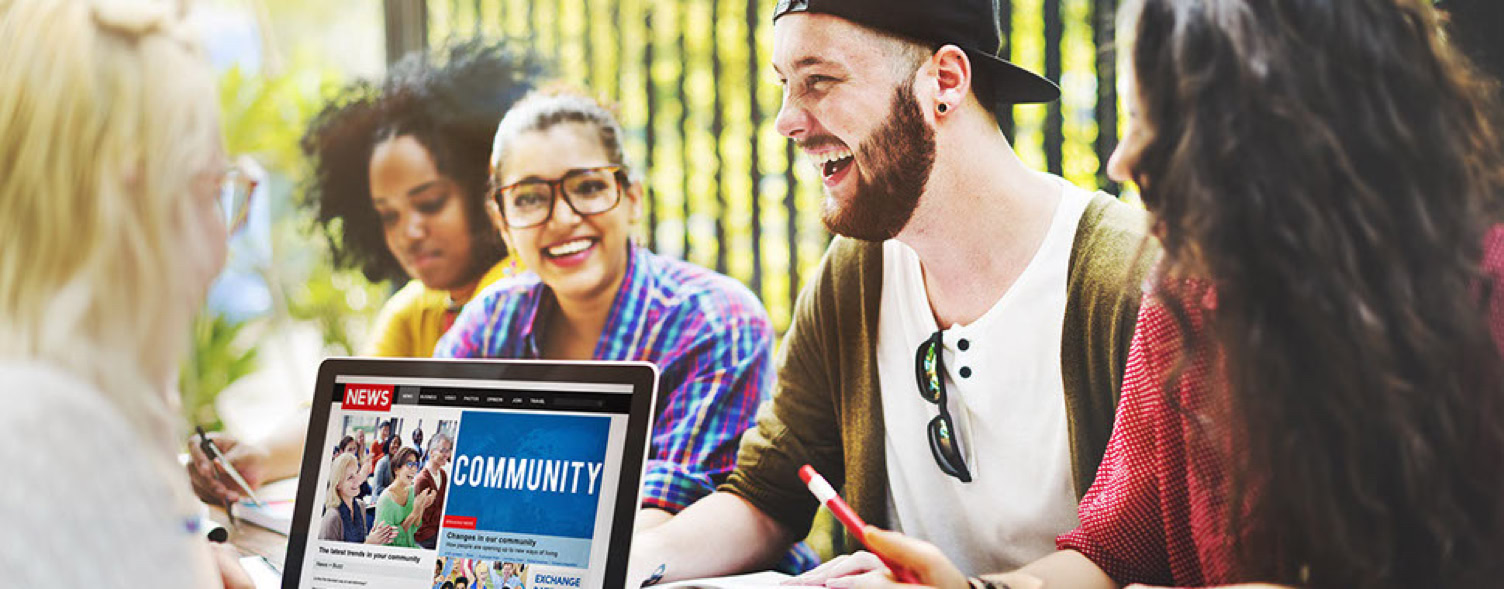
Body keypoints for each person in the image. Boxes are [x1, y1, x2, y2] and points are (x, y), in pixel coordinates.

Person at [842, 0, 1504, 588]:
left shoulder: (1487, 298)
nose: (1122, 160)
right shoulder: (1188, 298)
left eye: (1160, 118)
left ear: (1285, 125)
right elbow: (1110, 552)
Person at [625, 0, 1155, 584]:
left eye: (818, 80)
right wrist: (624, 564)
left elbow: (1142, 555)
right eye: (784, 85)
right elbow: (766, 492)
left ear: (944, 81)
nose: (786, 121)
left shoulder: (1133, 280)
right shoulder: (856, 273)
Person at [435, 89, 817, 567]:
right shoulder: (490, 321)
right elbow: (439, 476)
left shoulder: (715, 320)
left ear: (632, 198)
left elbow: (664, 514)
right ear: (502, 220)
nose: (563, 217)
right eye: (529, 198)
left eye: (588, 187)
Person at [187, 42, 540, 503]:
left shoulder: (526, 294)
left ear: (486, 192)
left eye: (430, 203)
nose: (409, 232)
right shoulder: (413, 311)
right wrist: (258, 458)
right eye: (388, 215)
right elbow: (343, 414)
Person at [0, 0, 254, 585]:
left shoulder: (78, 401)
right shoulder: (54, 438)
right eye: (210, 191)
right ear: (129, 204)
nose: (221, 246)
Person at [317, 453, 397, 545]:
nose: (357, 480)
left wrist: (376, 537)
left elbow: (361, 543)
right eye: (350, 477)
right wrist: (369, 543)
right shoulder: (332, 517)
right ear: (338, 484)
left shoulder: (360, 506)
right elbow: (326, 554)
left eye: (357, 473)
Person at [375, 446, 437, 549]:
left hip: (410, 547)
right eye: (409, 464)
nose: (414, 469)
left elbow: (415, 527)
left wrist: (422, 506)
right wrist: (414, 513)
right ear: (396, 469)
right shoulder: (385, 500)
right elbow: (390, 539)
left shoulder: (412, 491)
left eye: (416, 465)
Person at [413, 432, 453, 549]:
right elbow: (420, 518)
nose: (447, 455)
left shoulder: (443, 475)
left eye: (448, 451)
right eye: (443, 451)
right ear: (431, 452)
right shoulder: (422, 480)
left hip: (438, 531)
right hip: (425, 536)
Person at [372, 435, 403, 500]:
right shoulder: (382, 463)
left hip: (392, 499)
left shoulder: (398, 464)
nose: (396, 445)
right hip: (380, 499)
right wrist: (395, 492)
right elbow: (378, 489)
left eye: (398, 444)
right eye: (394, 442)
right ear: (388, 444)